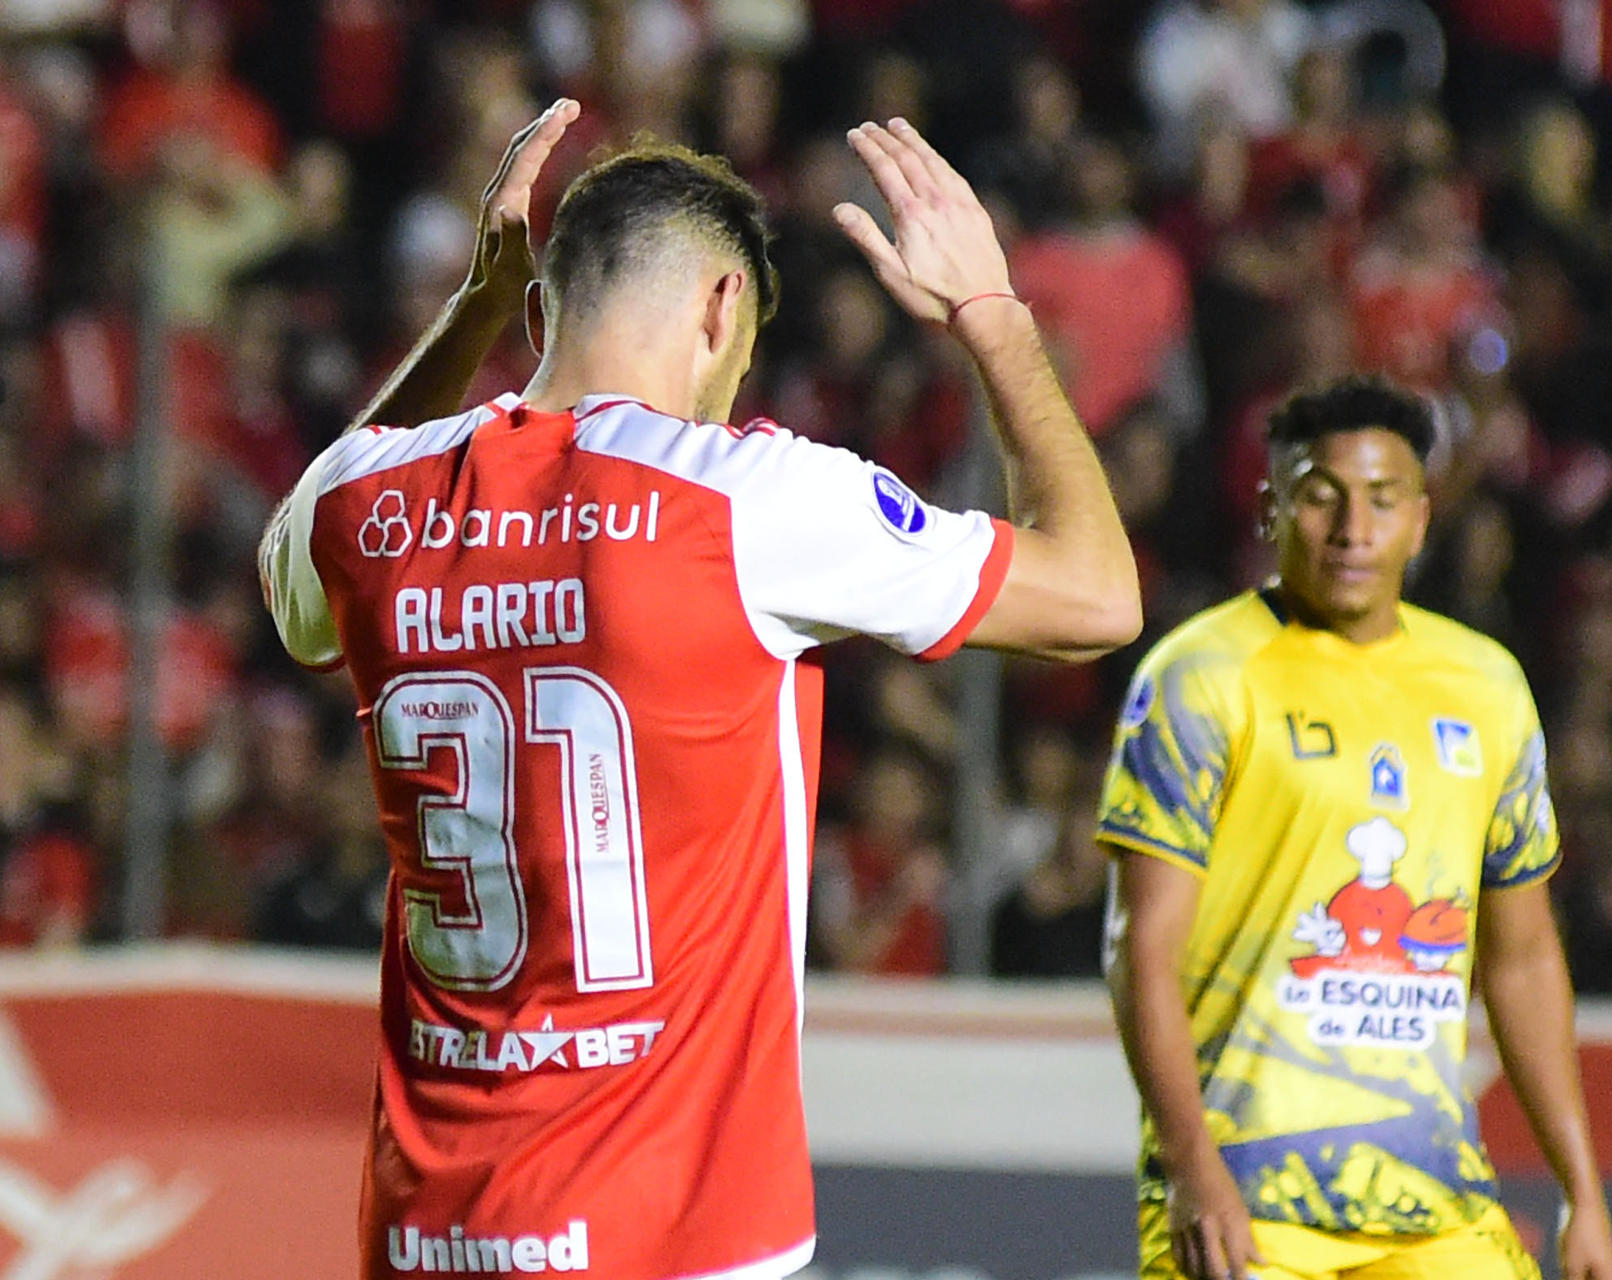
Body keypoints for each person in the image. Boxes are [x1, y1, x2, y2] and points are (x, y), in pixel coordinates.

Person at [257, 101, 1139, 1280]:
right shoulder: (745, 497)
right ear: (725, 310)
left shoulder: (366, 499)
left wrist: (474, 305)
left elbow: (292, 579)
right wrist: (993, 316)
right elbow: (1094, 596)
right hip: (672, 1231)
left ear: (535, 307)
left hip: (430, 1233)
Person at [1099, 377, 1612, 1280]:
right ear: (1271, 509)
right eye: (1321, 498)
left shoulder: (1487, 688)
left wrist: (1584, 1193)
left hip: (1433, 1203)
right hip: (1249, 1200)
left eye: (1382, 503)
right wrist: (1190, 1165)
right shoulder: (1200, 679)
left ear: (1421, 520)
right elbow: (1140, 947)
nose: (1353, 531)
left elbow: (1524, 957)